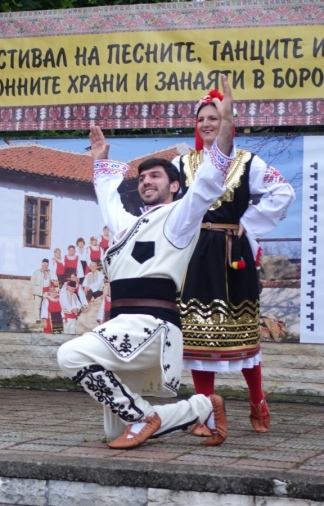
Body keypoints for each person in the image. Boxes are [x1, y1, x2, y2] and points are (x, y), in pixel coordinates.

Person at [56, 75, 240, 450]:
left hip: (152, 328)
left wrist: (225, 129)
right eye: (141, 178)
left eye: (155, 175)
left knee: (69, 354)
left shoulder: (180, 216)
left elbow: (209, 179)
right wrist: (101, 162)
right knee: (113, 432)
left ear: (174, 186)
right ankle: (201, 406)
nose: (145, 181)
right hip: (123, 327)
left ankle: (146, 417)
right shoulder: (128, 224)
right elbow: (108, 200)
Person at [176, 86, 295, 436]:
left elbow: (283, 191)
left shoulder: (247, 161)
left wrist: (248, 222)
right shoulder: (182, 163)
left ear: (228, 122)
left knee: (241, 333)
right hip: (195, 253)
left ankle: (257, 400)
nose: (207, 124)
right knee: (199, 335)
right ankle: (206, 414)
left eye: (214, 118)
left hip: (232, 252)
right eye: (201, 119)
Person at [31, 259, 55, 323]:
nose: (45, 266)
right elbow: (32, 282)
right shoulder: (36, 272)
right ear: (42, 264)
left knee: (46, 304)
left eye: (46, 265)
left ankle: (45, 317)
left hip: (46, 292)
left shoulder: (49, 272)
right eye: (44, 265)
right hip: (38, 291)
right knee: (37, 305)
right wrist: (34, 291)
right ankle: (37, 318)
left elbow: (51, 280)